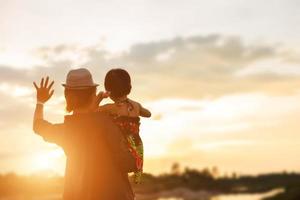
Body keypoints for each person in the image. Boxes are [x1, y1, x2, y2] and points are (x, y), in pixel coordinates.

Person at [32, 68, 136, 200]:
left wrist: (40, 102)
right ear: (93, 94)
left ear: (66, 97)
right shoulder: (109, 122)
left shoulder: (65, 130)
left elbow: (37, 125)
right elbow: (129, 164)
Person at [96, 68, 151, 183]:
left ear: (109, 91)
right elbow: (148, 114)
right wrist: (138, 110)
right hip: (136, 144)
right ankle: (137, 178)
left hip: (121, 145)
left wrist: (100, 97)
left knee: (118, 173)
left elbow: (91, 111)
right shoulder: (136, 105)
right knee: (136, 169)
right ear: (129, 88)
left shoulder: (110, 108)